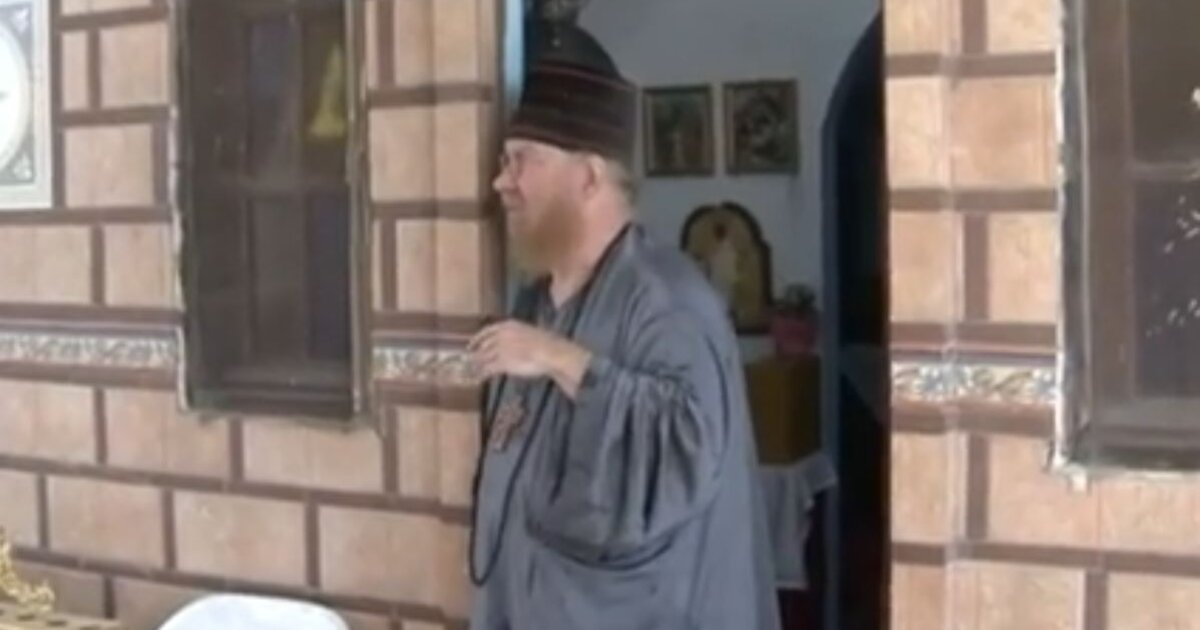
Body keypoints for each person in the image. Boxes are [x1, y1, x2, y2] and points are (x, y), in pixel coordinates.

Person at [467, 22, 782, 630]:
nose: (501, 181)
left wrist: (562, 360)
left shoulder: (669, 301)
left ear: (588, 177)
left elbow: (684, 444)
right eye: (504, 161)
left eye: (522, 160)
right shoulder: (536, 301)